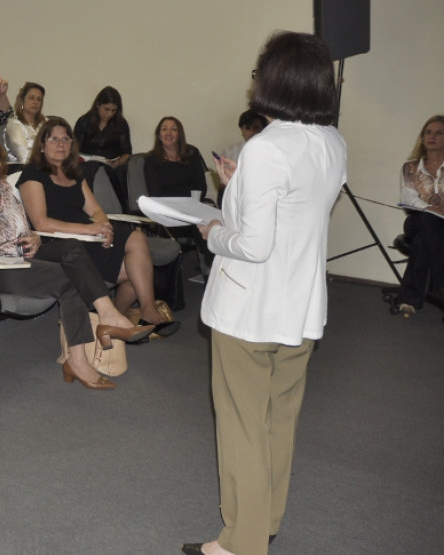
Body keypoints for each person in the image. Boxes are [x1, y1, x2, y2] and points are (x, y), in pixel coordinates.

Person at [182, 31, 347, 555]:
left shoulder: (265, 147)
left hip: (248, 308)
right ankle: (266, 520)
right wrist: (236, 188)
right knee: (279, 420)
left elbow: (251, 245)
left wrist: (212, 230)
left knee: (242, 428)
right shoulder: (331, 142)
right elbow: (295, 217)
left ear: (274, 80)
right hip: (299, 307)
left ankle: (241, 543)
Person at [0, 136, 153, 389]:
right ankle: (79, 357)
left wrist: (34, 238)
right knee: (70, 278)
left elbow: (24, 229)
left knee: (72, 250)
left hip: (17, 255)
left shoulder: (4, 189)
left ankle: (107, 316)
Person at [18, 117, 179, 335]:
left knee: (137, 242)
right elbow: (41, 223)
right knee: (136, 270)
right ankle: (130, 316)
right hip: (61, 242)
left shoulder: (74, 173)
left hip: (89, 236)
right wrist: (89, 230)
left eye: (66, 139)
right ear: (42, 145)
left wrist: (105, 228)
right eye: (54, 139)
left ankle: (124, 316)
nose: (61, 144)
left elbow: (95, 210)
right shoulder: (33, 174)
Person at [144, 115, 213, 276]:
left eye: (173, 129)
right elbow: (156, 194)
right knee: (199, 224)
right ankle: (209, 272)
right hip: (170, 209)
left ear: (180, 134)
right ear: (158, 135)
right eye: (164, 129)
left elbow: (201, 185)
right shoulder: (152, 160)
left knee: (210, 222)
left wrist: (191, 202)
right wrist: (185, 199)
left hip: (194, 206)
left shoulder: (192, 153)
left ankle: (213, 271)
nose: (169, 133)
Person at [394, 115, 444, 315]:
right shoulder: (411, 167)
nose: (432, 137)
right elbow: (409, 198)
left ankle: (409, 299)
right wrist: (432, 209)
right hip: (417, 220)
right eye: (428, 132)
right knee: (425, 220)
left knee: (422, 243)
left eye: (439, 133)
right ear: (422, 138)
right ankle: (441, 282)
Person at [73, 86, 132, 211]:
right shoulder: (84, 122)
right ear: (98, 105)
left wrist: (118, 162)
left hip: (113, 166)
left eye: (113, 110)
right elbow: (74, 151)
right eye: (106, 109)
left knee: (122, 172)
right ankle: (87, 209)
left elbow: (127, 153)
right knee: (86, 170)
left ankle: (121, 211)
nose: (109, 114)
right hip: (88, 164)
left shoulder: (121, 124)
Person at [218, 109, 267, 205]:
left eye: (256, 128)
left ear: (263, 130)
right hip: (235, 200)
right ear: (241, 130)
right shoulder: (229, 152)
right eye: (247, 128)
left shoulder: (271, 152)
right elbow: (224, 186)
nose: (251, 132)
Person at [4, 82, 46, 163]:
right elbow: (25, 157)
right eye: (31, 98)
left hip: (47, 168)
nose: (35, 102)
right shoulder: (14, 124)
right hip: (22, 170)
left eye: (39, 99)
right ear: (22, 100)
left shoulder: (45, 122)